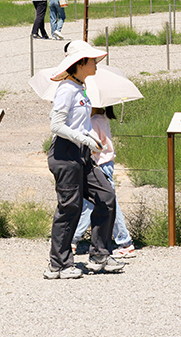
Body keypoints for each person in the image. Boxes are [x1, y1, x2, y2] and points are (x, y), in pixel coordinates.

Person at [44, 40, 125, 279]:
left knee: (106, 196)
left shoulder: (80, 88)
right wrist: (85, 138)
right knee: (70, 207)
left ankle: (100, 255)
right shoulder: (66, 90)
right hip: (65, 154)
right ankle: (58, 265)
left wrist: (91, 138)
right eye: (92, 60)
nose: (96, 63)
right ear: (80, 64)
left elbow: (79, 124)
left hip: (82, 154)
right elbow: (56, 125)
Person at [71, 105, 136, 260]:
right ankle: (123, 242)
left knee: (98, 202)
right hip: (106, 164)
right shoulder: (103, 119)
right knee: (103, 202)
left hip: (98, 165)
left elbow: (94, 147)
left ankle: (124, 242)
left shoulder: (93, 121)